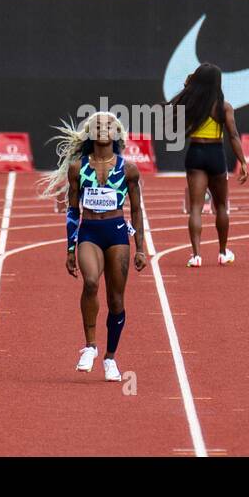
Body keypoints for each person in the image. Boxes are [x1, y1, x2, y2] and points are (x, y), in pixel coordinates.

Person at [40, 112, 147, 383]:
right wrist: (69, 249)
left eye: (108, 125)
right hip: (90, 232)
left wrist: (140, 248)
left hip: (117, 234)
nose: (102, 128)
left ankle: (110, 358)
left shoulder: (128, 169)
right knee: (90, 283)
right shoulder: (78, 168)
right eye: (97, 125)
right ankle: (90, 346)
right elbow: (73, 211)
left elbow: (136, 210)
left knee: (116, 301)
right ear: (89, 132)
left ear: (116, 133)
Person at [166, 64, 249, 266]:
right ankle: (222, 252)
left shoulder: (189, 104)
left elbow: (170, 116)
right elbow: (233, 135)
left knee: (195, 207)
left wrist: (187, 87)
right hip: (216, 155)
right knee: (221, 206)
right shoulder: (224, 107)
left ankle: (196, 255)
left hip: (195, 154)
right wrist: (243, 162)